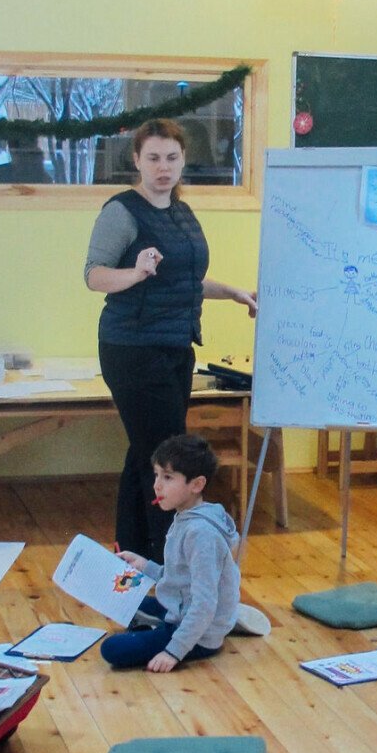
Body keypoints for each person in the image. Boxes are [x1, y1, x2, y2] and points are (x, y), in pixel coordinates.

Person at [84, 118, 256, 562]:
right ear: (137, 160)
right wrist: (136, 272)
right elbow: (94, 276)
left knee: (146, 452)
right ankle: (166, 563)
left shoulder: (180, 211)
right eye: (154, 158)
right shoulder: (121, 211)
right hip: (132, 350)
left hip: (176, 348)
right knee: (166, 461)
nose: (164, 167)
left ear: (183, 161)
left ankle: (130, 556)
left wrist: (234, 293)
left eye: (172, 158)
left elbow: (188, 280)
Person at [99, 434, 240, 672]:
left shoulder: (200, 533)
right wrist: (145, 565)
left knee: (112, 649)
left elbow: (204, 602)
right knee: (123, 600)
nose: (156, 485)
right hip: (184, 608)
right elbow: (181, 577)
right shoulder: (186, 516)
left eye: (167, 477)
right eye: (156, 475)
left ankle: (162, 630)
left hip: (199, 635)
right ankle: (155, 624)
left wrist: (173, 651)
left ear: (196, 485)